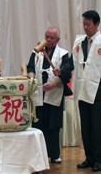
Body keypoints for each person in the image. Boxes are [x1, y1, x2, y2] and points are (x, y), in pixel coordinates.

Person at [53, 10, 101, 172]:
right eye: (84, 24)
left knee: (97, 127)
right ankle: (89, 157)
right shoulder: (79, 42)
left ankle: (99, 160)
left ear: (97, 25)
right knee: (86, 126)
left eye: (88, 24)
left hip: (98, 91)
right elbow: (71, 64)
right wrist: (61, 71)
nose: (85, 27)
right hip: (82, 90)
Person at [27, 27, 72, 164]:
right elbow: (30, 67)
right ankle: (37, 154)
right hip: (38, 94)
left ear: (58, 39)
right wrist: (32, 76)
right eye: (47, 36)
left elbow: (66, 74)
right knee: (38, 124)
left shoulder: (63, 54)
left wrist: (52, 84)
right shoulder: (37, 52)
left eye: (52, 38)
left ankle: (54, 154)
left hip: (54, 94)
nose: (48, 40)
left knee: (52, 126)